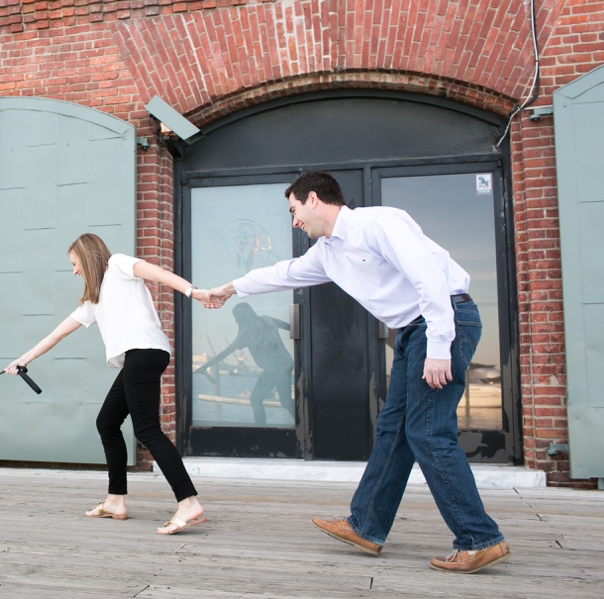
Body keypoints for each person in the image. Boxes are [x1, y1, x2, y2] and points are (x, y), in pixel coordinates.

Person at [206, 171, 510, 573]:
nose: (293, 221)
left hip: (444, 320)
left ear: (313, 199)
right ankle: (366, 525)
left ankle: (479, 538)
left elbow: (429, 276)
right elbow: (282, 273)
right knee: (394, 430)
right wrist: (228, 288)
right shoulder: (327, 253)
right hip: (412, 331)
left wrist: (439, 345)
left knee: (427, 431)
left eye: (294, 210)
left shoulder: (378, 223)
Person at [6, 233, 220, 535]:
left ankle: (188, 502)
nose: (74, 271)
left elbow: (157, 273)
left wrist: (192, 291)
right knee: (107, 422)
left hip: (144, 351)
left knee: (147, 429)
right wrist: (23, 359)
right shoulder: (95, 297)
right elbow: (57, 333)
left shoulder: (118, 265)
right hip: (137, 357)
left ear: (87, 257)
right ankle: (115, 500)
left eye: (74, 263)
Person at [195, 302, 294, 426]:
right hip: (286, 363)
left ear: (244, 316)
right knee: (285, 401)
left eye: (237, 318)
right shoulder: (267, 319)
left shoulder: (246, 334)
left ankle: (261, 432)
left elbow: (225, 353)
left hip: (275, 369)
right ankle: (304, 423)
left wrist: (205, 366)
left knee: (256, 399)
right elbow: (291, 326)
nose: (236, 322)